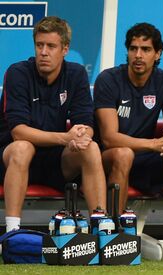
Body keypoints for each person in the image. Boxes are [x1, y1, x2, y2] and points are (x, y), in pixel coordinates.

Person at [94, 23, 163, 259]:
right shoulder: (108, 80)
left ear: (158, 54)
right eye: (133, 48)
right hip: (109, 159)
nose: (138, 55)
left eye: (145, 49)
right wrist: (155, 144)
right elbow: (109, 138)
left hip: (148, 159)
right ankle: (114, 238)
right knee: (124, 154)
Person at [0, 16, 106, 232]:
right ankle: (12, 232)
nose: (44, 52)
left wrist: (80, 136)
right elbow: (19, 132)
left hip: (55, 161)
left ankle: (101, 229)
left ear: (65, 49)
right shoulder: (17, 73)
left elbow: (85, 122)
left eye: (51, 46)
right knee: (23, 147)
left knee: (91, 147)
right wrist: (65, 138)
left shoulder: (76, 74)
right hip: (12, 159)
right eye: (39, 45)